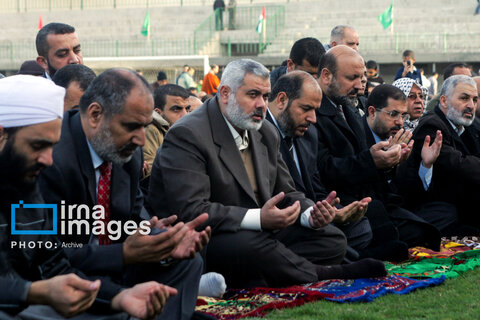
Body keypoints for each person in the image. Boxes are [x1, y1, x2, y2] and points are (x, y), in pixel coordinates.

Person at [148, 58, 387, 289]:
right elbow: (192, 211)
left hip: (261, 234)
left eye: (265, 96)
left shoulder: (265, 132)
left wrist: (309, 215)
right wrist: (258, 219)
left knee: (331, 239)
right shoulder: (187, 134)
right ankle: (321, 274)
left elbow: (287, 191)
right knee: (253, 246)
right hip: (207, 239)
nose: (262, 104)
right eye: (253, 95)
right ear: (224, 94)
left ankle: (260, 275)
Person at [0, 74, 176, 319]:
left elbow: (53, 263)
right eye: (38, 146)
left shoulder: (24, 189)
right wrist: (33, 292)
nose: (48, 159)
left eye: (52, 146)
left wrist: (118, 297)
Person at [39, 69, 210, 320]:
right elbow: (46, 254)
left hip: (115, 266)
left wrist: (156, 241)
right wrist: (124, 253)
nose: (141, 139)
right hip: (65, 275)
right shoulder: (49, 157)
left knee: (186, 261)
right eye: (132, 126)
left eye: (145, 126)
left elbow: (129, 218)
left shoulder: (126, 152)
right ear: (96, 114)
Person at [315, 46, 439, 261]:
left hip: (368, 199)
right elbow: (324, 168)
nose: (359, 85)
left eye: (361, 77)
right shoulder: (314, 111)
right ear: (326, 76)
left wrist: (390, 162)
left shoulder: (347, 107)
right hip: (335, 202)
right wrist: (373, 161)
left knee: (420, 228)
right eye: (352, 77)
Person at [267, 71, 373, 257]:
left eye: (315, 110)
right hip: (279, 223)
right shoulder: (259, 135)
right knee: (335, 243)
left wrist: (331, 210)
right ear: (282, 100)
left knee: (361, 227)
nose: (313, 119)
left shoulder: (308, 135)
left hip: (311, 217)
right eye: (306, 109)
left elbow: (316, 189)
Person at [396, 75, 480, 235]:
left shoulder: (467, 126)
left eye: (474, 100)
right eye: (464, 98)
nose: (471, 105)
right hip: (430, 207)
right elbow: (456, 164)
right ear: (444, 101)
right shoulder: (431, 125)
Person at [143, 84, 191, 178]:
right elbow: (150, 172)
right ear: (158, 112)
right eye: (176, 109)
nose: (185, 115)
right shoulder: (150, 130)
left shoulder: (190, 130)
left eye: (187, 109)